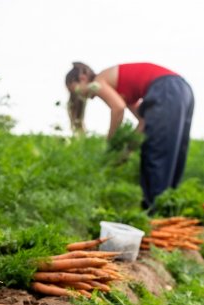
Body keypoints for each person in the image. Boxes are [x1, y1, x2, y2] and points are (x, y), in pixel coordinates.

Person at [65, 62, 195, 212]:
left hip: (165, 88)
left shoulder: (98, 81)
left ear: (82, 78)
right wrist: (128, 150)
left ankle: (154, 217)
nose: (78, 96)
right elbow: (143, 122)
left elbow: (118, 108)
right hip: (182, 90)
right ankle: (167, 212)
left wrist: (111, 145)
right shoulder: (123, 88)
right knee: (172, 151)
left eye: (74, 90)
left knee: (155, 154)